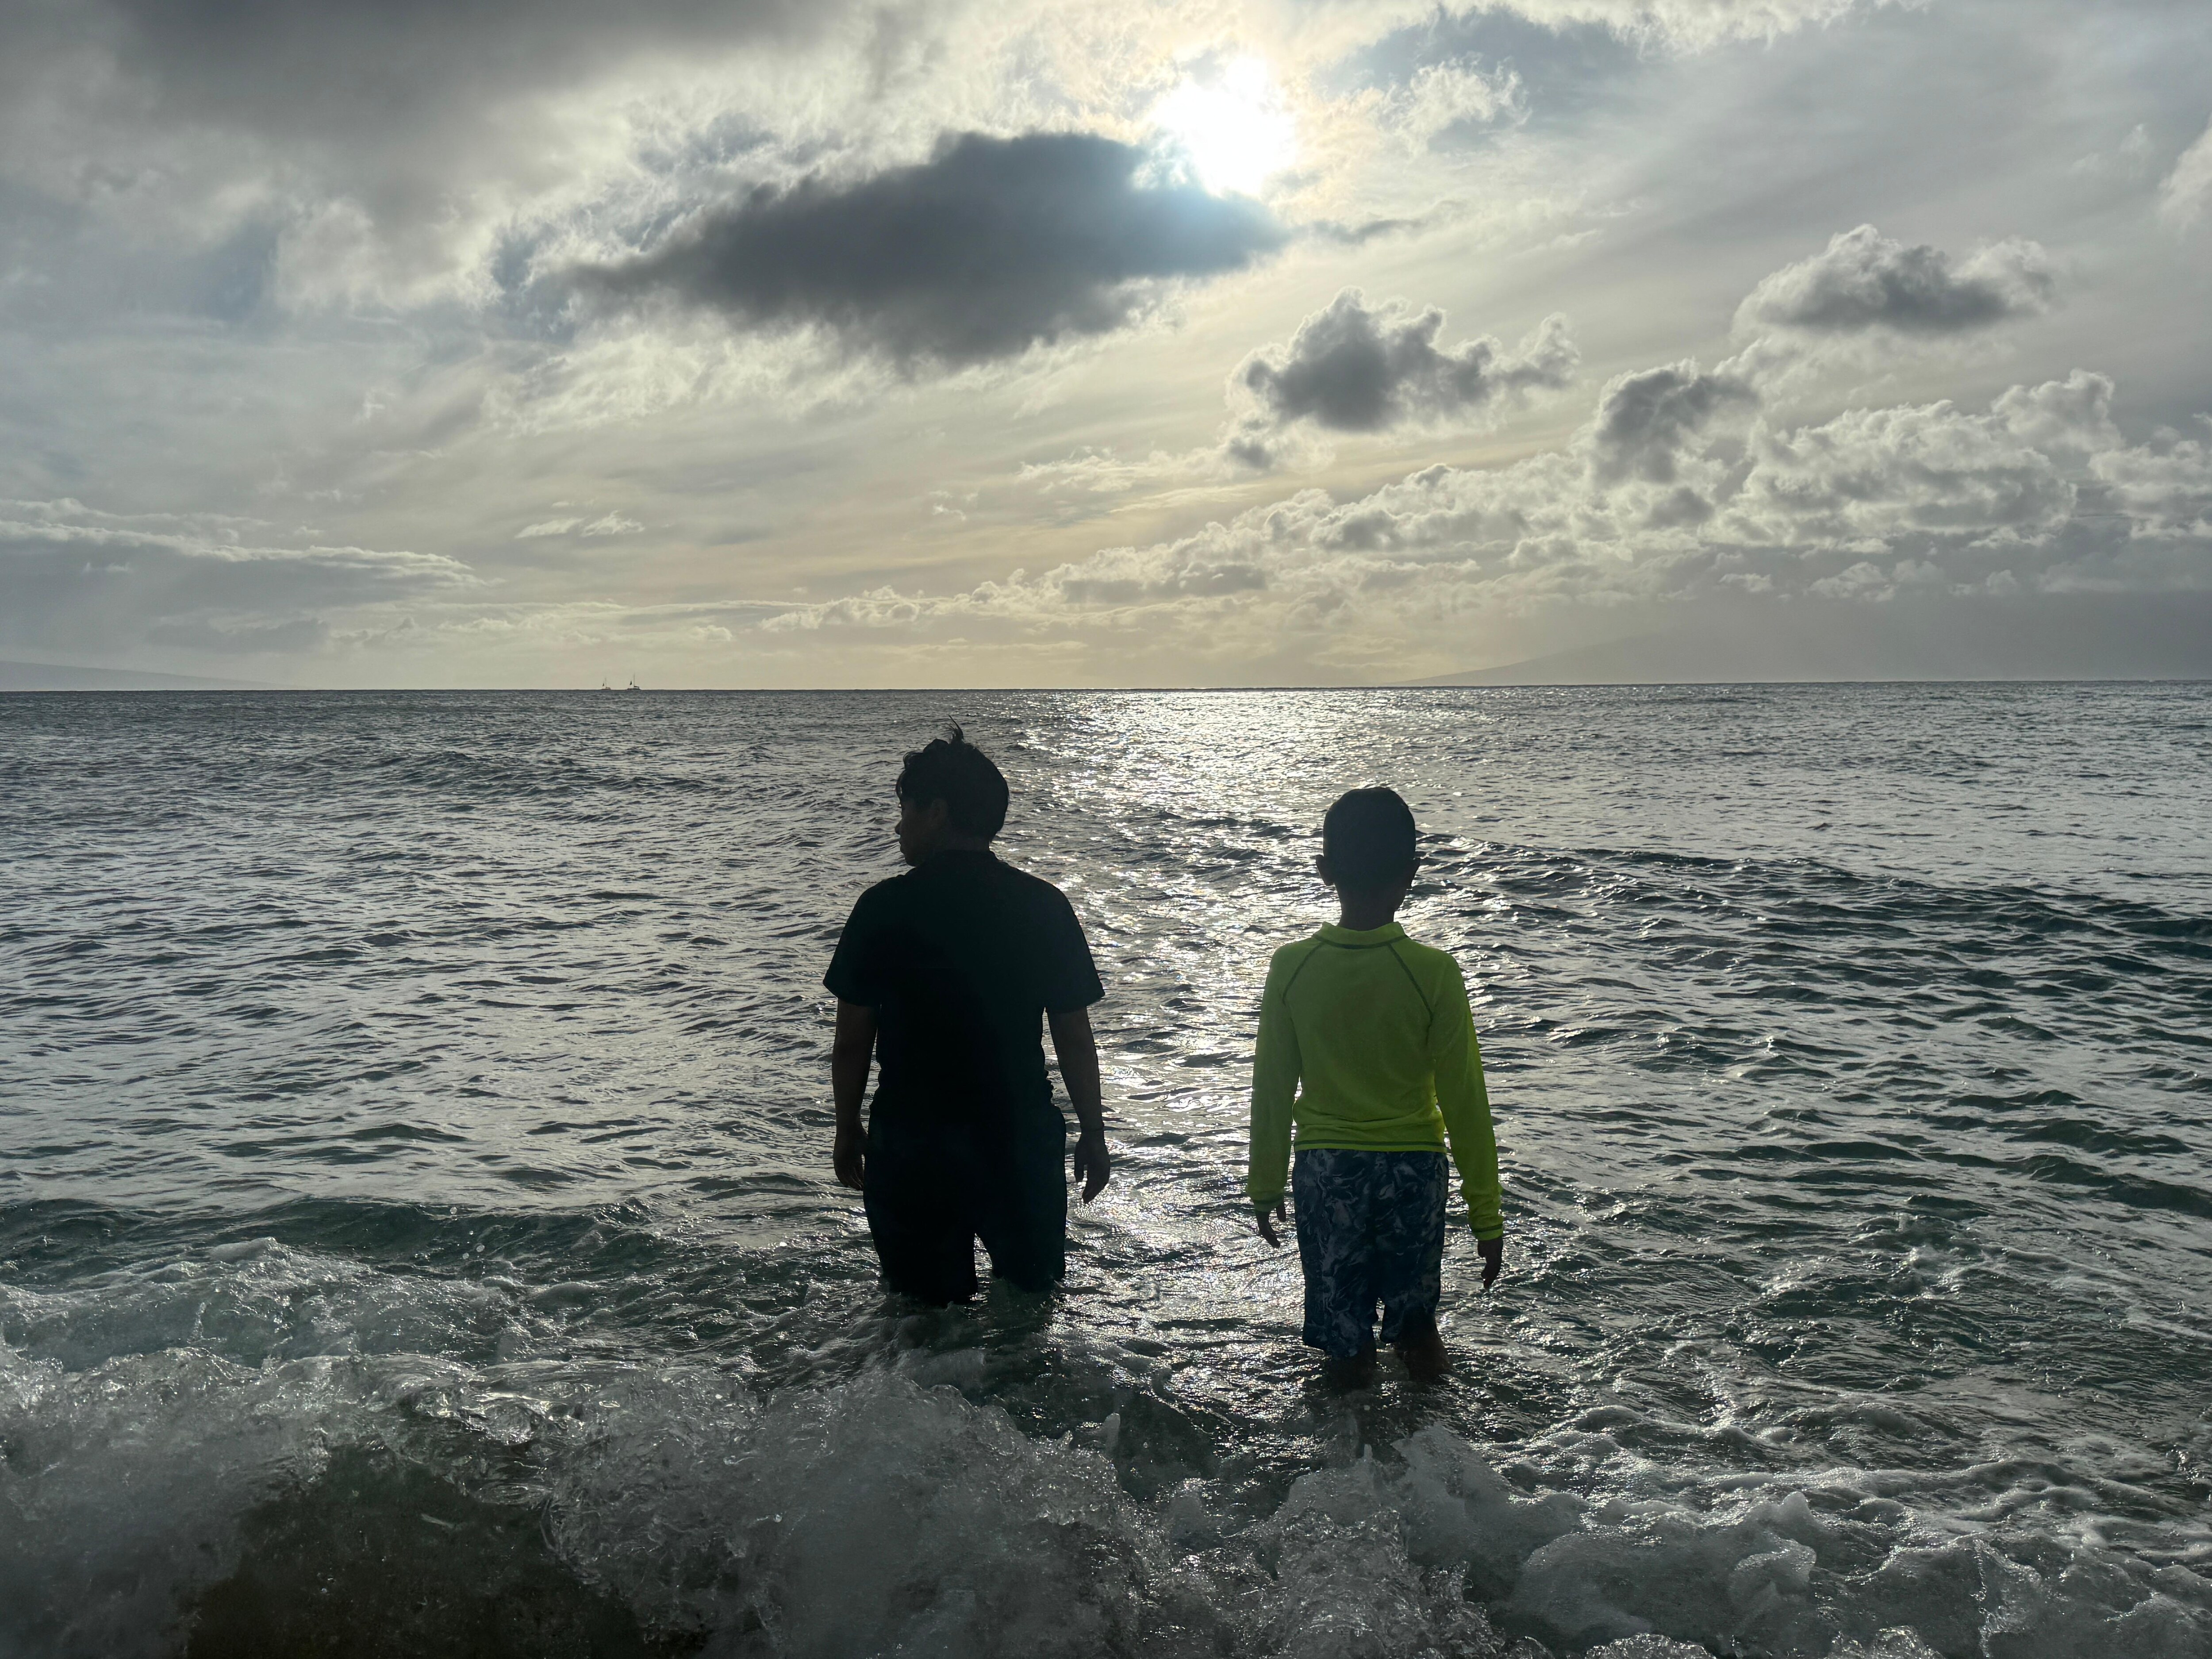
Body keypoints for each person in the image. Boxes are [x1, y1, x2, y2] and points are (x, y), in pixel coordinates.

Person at [825, 726, 1111, 1303]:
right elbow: (1073, 1036)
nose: (898, 826)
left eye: (905, 809)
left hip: (914, 1140)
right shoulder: (1043, 905)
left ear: (937, 812)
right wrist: (1093, 1130)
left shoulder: (883, 908)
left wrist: (847, 1127)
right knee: (1030, 1309)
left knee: (923, 1319)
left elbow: (853, 1041)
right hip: (1016, 1137)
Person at [1246, 786, 1504, 1385]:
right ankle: (1436, 1439)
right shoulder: (1435, 973)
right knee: (1418, 1335)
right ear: (1411, 874)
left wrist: (1265, 1184)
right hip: (1413, 1172)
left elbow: (1272, 1087)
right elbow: (1466, 1102)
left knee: (1346, 1345)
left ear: (1325, 870)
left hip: (1327, 1170)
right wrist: (1487, 1215)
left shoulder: (1292, 966)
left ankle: (1347, 1441)